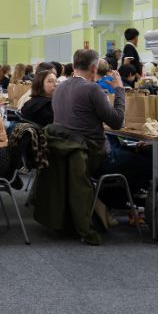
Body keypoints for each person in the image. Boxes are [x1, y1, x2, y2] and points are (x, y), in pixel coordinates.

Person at [37, 49, 125, 245]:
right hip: (93, 155)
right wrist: (120, 90)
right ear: (94, 68)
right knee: (144, 160)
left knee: (128, 151)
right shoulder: (91, 89)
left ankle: (105, 208)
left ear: (74, 65)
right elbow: (118, 122)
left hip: (67, 151)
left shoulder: (59, 88)